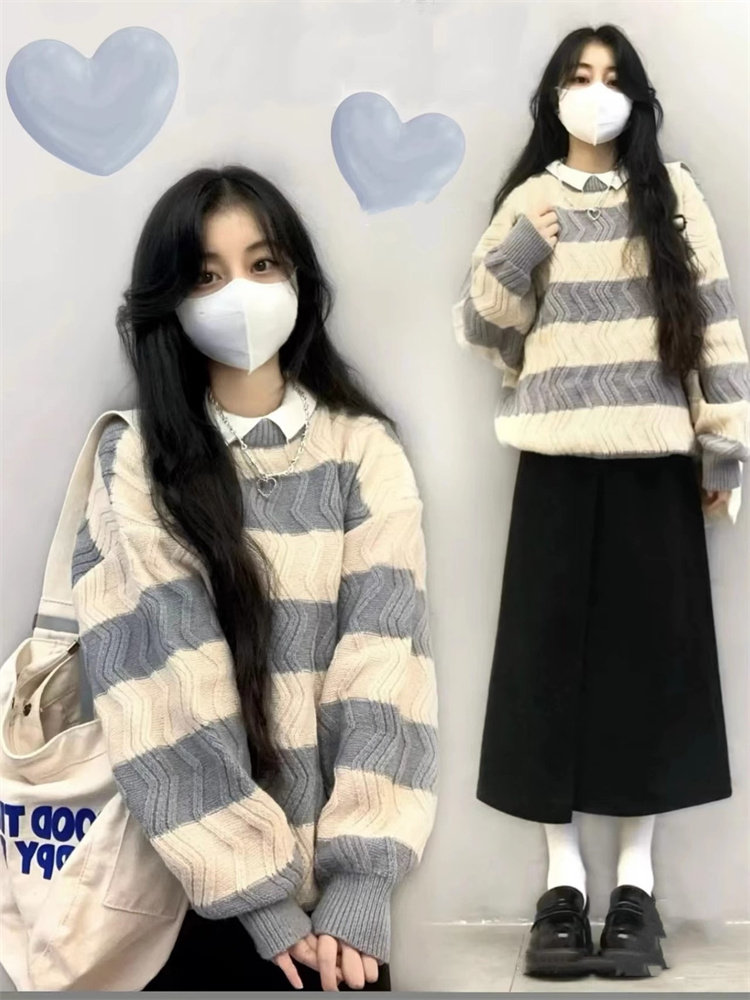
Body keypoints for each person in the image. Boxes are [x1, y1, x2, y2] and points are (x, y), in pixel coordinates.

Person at [70, 165, 438, 991]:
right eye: (207, 276)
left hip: (338, 924)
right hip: (183, 902)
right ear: (170, 301)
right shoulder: (139, 460)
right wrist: (258, 898)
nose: (240, 292)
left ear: (298, 276)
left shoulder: (362, 451)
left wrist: (362, 881)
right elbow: (160, 691)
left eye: (262, 263)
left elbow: (388, 672)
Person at [454, 23, 749, 980]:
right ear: (554, 94)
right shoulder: (529, 199)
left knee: (648, 669)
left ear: (637, 97)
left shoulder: (674, 196)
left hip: (655, 462)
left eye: (612, 76)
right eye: (580, 75)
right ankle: (562, 883)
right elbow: (486, 333)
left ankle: (636, 885)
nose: (596, 91)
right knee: (543, 668)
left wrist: (725, 448)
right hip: (553, 462)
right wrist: (516, 257)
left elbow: (715, 319)